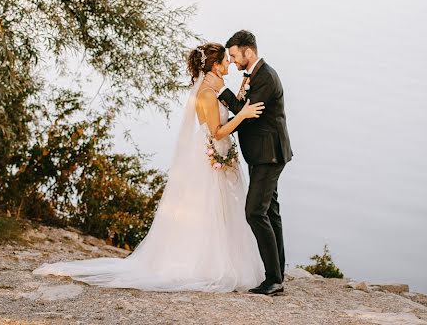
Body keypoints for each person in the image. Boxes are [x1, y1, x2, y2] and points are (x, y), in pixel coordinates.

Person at [33, 43, 265, 292]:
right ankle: (207, 264)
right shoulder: (207, 94)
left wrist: (239, 101)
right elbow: (217, 132)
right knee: (211, 207)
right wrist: (243, 115)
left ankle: (223, 259)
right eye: (225, 61)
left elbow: (222, 116)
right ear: (215, 65)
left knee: (220, 208)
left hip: (213, 152)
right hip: (212, 152)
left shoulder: (213, 88)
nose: (229, 63)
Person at [205, 30, 292, 296]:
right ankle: (278, 271)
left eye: (234, 55)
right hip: (260, 155)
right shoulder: (252, 76)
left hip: (269, 155)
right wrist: (233, 99)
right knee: (271, 211)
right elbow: (243, 106)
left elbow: (248, 115)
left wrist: (221, 90)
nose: (232, 60)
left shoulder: (265, 77)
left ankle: (273, 279)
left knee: (254, 212)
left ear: (248, 52)